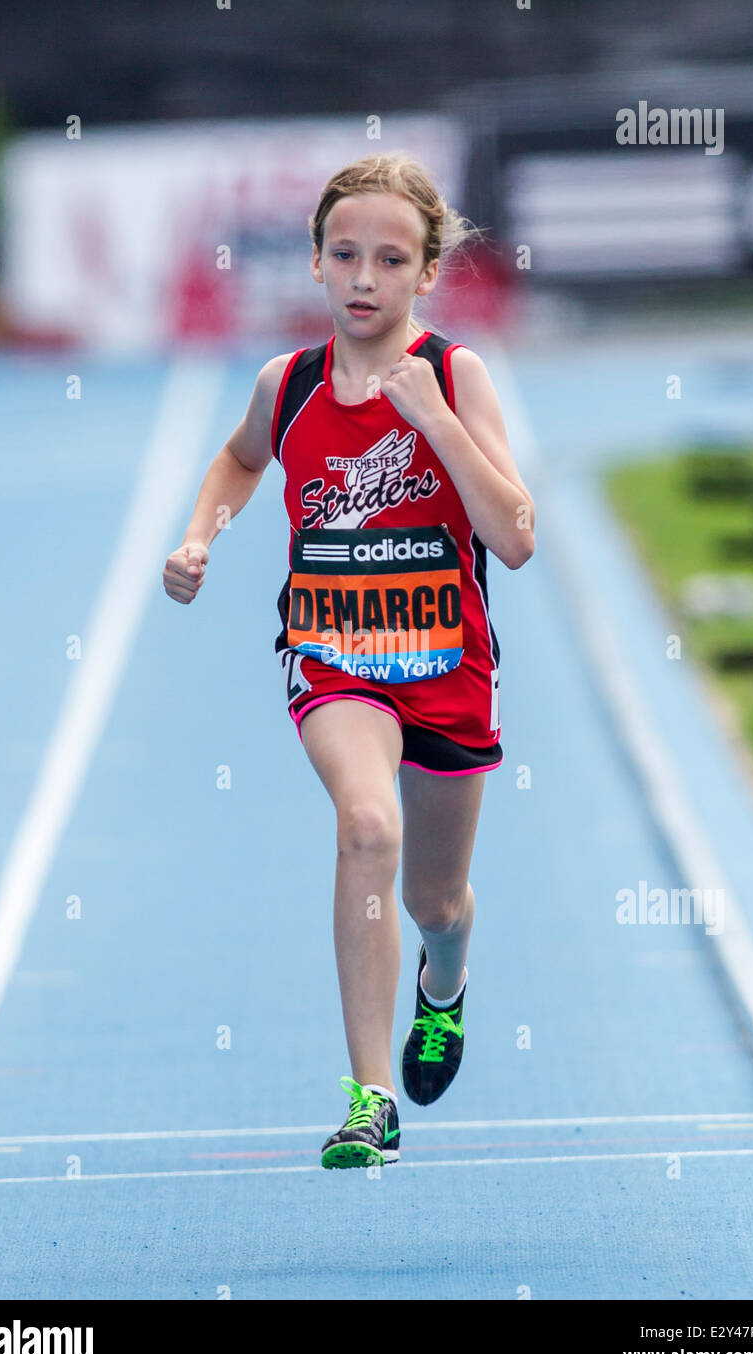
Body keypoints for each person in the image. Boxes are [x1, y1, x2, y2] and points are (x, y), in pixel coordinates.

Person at [163, 151, 535, 1170]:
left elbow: (513, 535)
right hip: (335, 655)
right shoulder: (285, 384)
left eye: (389, 258)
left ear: (424, 273)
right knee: (364, 824)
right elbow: (240, 460)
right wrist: (201, 534)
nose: (363, 276)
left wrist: (433, 423)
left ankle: (444, 983)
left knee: (435, 902)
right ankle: (371, 1097)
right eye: (344, 254)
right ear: (319, 266)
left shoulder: (456, 376)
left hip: (446, 665)